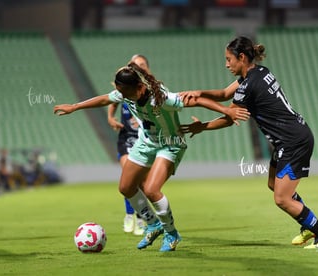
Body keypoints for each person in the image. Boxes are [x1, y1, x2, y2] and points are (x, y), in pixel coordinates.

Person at [54, 62, 250, 251]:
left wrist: (226, 111)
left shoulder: (161, 98)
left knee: (151, 189)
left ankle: (172, 234)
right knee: (125, 187)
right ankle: (153, 224)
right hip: (146, 143)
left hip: (170, 144)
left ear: (139, 88)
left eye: (125, 93)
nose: (122, 96)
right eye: (120, 93)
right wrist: (75, 106)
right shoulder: (126, 93)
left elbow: (196, 99)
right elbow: (106, 98)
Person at [179, 36, 318, 249]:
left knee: (281, 199)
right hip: (290, 138)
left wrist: (202, 125)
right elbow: (224, 94)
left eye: (228, 59)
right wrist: (199, 92)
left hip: (292, 141)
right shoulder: (260, 72)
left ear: (241, 57)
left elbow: (230, 116)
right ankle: (308, 224)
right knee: (274, 185)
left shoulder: (249, 85)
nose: (226, 64)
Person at [107, 54, 150, 236]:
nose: (138, 67)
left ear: (147, 68)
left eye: (141, 64)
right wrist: (110, 117)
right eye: (135, 65)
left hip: (145, 139)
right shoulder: (126, 87)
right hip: (126, 137)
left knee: (141, 182)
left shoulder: (152, 91)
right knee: (128, 175)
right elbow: (111, 101)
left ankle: (141, 218)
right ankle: (129, 214)